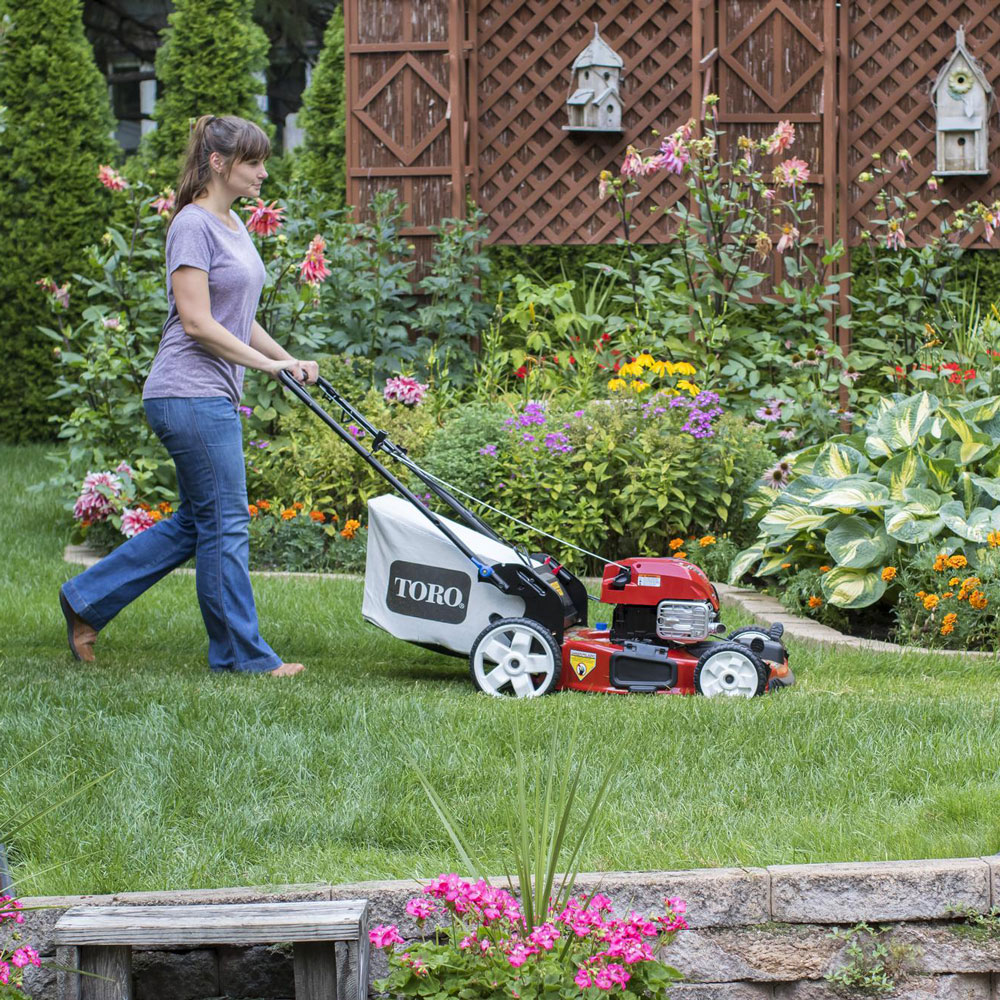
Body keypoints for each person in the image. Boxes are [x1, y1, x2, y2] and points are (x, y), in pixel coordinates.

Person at [59, 114, 316, 677]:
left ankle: (85, 599)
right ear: (218, 163)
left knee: (198, 523)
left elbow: (236, 316)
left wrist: (287, 360)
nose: (263, 173)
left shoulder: (233, 224)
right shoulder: (192, 225)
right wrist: (269, 366)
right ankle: (242, 656)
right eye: (253, 162)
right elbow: (198, 322)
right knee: (226, 523)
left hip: (207, 394)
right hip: (187, 391)